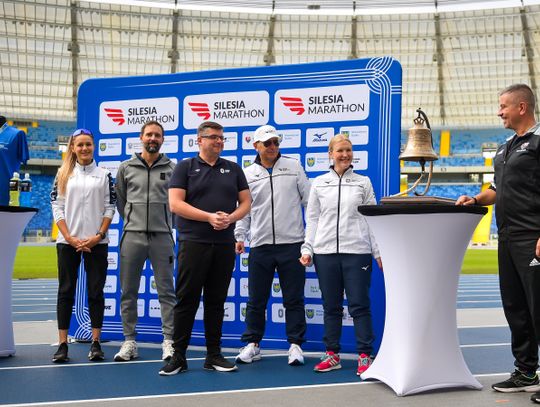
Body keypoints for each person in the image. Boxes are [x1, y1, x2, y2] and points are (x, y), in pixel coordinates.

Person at [456, 84, 540, 400]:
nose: (498, 111)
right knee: (516, 310)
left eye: (503, 106)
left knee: (539, 309)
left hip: (533, 239)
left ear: (522, 107)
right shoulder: (504, 148)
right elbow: (496, 188)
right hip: (507, 238)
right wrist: (475, 198)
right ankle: (526, 371)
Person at [159, 121, 251, 376]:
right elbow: (176, 204)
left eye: (221, 138)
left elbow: (246, 202)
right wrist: (209, 217)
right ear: (199, 140)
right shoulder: (185, 167)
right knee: (186, 301)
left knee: (216, 302)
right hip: (193, 243)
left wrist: (231, 218)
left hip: (224, 244)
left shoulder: (232, 169)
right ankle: (179, 356)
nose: (219, 142)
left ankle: (213, 355)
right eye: (213, 137)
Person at [299, 134, 382, 376]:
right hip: (325, 253)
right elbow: (312, 219)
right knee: (331, 306)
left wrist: (378, 252)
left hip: (357, 253)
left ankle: (365, 355)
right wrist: (307, 248)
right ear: (330, 154)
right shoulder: (319, 183)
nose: (345, 154)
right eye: (340, 151)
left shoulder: (363, 182)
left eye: (348, 150)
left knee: (359, 305)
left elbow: (370, 219)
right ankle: (332, 354)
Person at [234, 125, 310, 366]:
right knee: (256, 299)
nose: (273, 146)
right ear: (256, 145)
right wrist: (240, 235)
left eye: (275, 142)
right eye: (267, 143)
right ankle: (253, 344)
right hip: (260, 245)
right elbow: (244, 209)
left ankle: (295, 345)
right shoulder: (247, 174)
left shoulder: (294, 167)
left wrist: (309, 239)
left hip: (292, 244)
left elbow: (311, 203)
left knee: (294, 299)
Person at [50, 128, 116, 363]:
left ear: (93, 146)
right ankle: (62, 345)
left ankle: (96, 343)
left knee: (95, 292)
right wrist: (69, 237)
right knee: (65, 291)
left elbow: (110, 207)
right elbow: (57, 207)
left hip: (97, 243)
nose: (85, 148)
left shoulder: (105, 174)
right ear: (73, 148)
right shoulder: (63, 174)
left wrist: (98, 236)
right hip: (68, 243)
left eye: (88, 144)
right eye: (80, 145)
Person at [113, 121, 177, 362]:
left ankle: (168, 341)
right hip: (133, 236)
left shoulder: (172, 167)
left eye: (157, 135)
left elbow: (177, 204)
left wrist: (164, 223)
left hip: (162, 237)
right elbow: (121, 202)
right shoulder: (125, 167)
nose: (153, 138)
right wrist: (135, 221)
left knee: (166, 293)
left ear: (162, 139)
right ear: (141, 137)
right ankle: (129, 341)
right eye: (149, 134)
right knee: (128, 292)